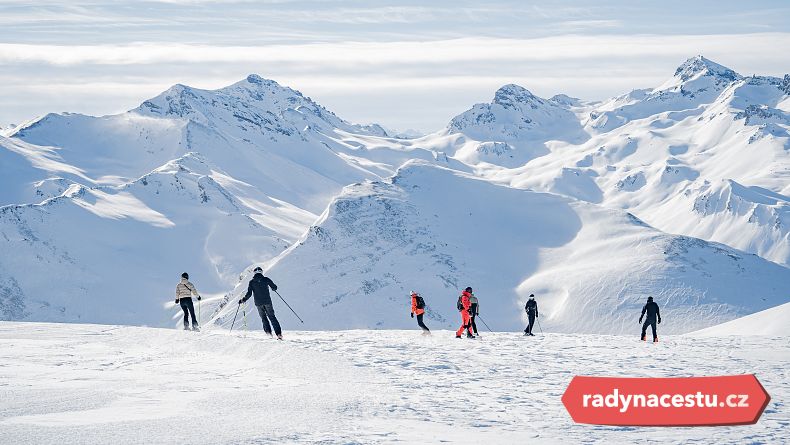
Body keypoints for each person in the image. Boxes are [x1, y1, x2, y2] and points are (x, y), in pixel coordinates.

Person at [240, 267, 282, 340]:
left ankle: (269, 334)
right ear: (261, 272)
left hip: (258, 303)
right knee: (272, 317)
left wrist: (243, 299)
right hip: (267, 302)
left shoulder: (252, 282)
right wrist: (273, 288)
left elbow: (249, 294)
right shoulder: (266, 279)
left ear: (254, 273)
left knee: (264, 318)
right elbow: (274, 287)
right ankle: (278, 334)